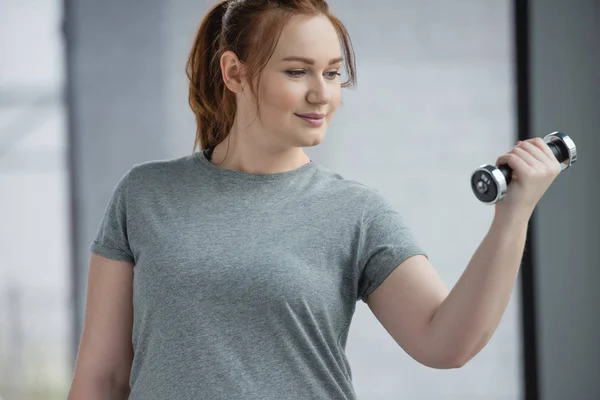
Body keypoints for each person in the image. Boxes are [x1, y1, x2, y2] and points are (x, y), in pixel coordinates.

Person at [66, 0, 562, 399]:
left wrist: (512, 215)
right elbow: (101, 378)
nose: (322, 94)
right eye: (298, 72)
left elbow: (446, 343)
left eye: (332, 73)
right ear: (235, 73)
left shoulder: (356, 213)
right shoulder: (146, 194)